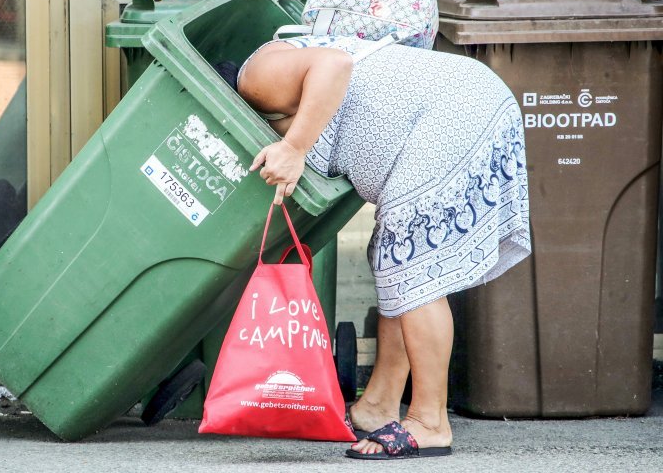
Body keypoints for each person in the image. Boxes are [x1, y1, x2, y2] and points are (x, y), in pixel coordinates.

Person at [219, 33, 531, 460]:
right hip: (463, 104)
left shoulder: (255, 80)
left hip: (454, 116)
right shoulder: (277, 72)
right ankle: (377, 405)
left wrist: (293, 147)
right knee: (395, 259)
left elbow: (334, 65)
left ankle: (429, 423)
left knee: (415, 266)